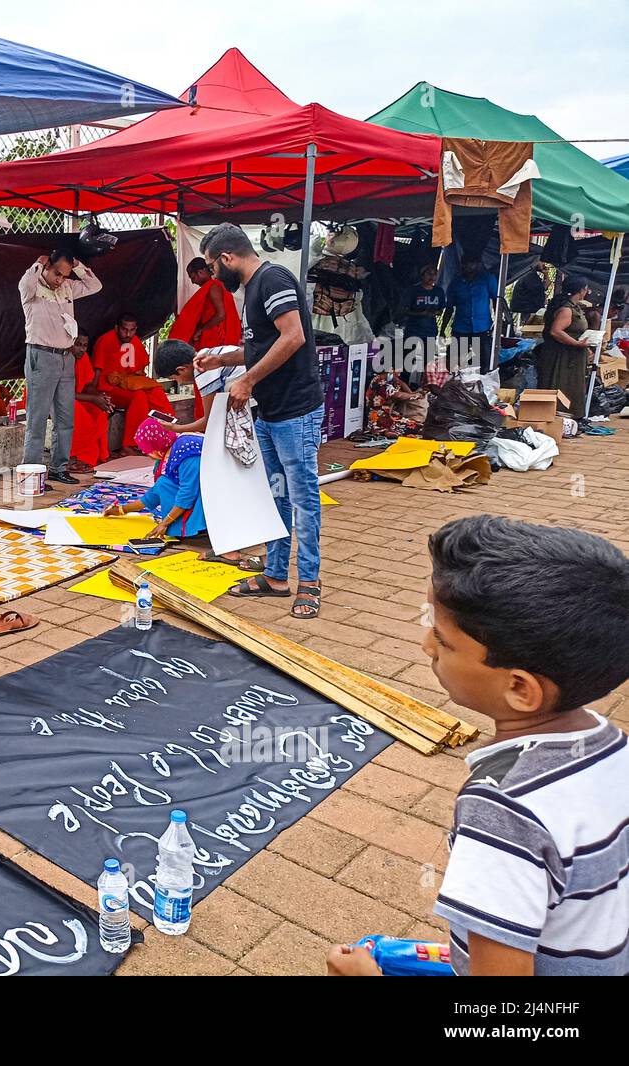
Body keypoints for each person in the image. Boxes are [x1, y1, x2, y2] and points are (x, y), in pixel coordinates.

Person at [327, 516, 629, 977]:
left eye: (444, 642)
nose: (427, 645)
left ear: (520, 690)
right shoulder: (610, 745)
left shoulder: (504, 813)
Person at [198, 223, 325, 619]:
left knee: (302, 498)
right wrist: (223, 360)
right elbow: (263, 345)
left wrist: (248, 380)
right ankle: (275, 576)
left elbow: (294, 337)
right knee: (274, 496)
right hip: (271, 412)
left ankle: (309, 582)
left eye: (212, 266)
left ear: (227, 258)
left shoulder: (272, 279)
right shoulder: (253, 288)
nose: (213, 275)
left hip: (296, 411)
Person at [19, 249, 102, 485]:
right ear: (47, 267)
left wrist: (75, 265)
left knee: (65, 418)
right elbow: (25, 284)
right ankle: (31, 474)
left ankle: (58, 468)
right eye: (57, 274)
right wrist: (37, 262)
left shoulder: (67, 288)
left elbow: (95, 285)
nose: (60, 280)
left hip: (66, 357)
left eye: (65, 276)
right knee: (36, 420)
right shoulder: (32, 288)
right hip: (41, 356)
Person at [103, 417, 206, 540]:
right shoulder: (171, 449)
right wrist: (121, 510)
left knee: (170, 485)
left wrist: (164, 523)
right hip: (196, 490)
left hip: (212, 494)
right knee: (163, 483)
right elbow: (155, 493)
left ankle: (197, 526)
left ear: (156, 441)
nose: (147, 452)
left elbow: (188, 493)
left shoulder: (188, 453)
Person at [92, 313, 175, 452]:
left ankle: (169, 434)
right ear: (117, 328)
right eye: (125, 330)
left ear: (136, 329)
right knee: (139, 397)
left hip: (128, 386)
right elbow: (97, 371)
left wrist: (136, 376)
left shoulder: (135, 340)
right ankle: (131, 444)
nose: (128, 334)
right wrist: (94, 396)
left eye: (132, 330)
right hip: (109, 389)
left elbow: (141, 367)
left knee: (157, 392)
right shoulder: (105, 340)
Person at [534, 275, 596, 417]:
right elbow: (556, 331)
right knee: (561, 382)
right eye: (586, 289)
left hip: (572, 354)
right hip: (562, 355)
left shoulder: (573, 307)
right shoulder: (566, 310)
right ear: (581, 290)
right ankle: (557, 414)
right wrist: (577, 343)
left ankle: (569, 415)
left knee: (570, 384)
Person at [169, 257, 241, 350]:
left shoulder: (214, 286)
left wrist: (200, 329)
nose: (193, 282)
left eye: (193, 278)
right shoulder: (214, 285)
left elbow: (221, 315)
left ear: (200, 272)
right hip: (214, 338)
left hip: (217, 339)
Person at [443, 257, 498, 372]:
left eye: (471, 263)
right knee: (456, 363)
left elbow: (496, 300)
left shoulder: (487, 279)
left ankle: (483, 386)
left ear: (478, 264)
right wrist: (443, 328)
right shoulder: (456, 283)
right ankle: (459, 386)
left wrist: (498, 321)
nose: (468, 267)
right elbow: (449, 307)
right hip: (461, 327)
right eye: (465, 264)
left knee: (484, 363)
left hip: (482, 327)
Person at [68, 333, 112, 473]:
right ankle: (75, 458)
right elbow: (63, 394)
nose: (81, 349)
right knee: (80, 414)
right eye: (78, 345)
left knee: (99, 410)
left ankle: (94, 455)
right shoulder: (62, 358)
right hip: (53, 400)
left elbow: (88, 387)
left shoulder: (84, 358)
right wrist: (93, 399)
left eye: (85, 346)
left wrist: (100, 397)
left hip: (75, 398)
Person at [397, 264, 446, 387]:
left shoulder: (438, 291)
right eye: (429, 274)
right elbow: (404, 310)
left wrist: (434, 312)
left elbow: (441, 310)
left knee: (428, 361)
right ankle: (404, 385)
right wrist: (420, 313)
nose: (432, 277)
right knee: (408, 359)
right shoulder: (414, 290)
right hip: (413, 330)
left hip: (430, 330)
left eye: (434, 274)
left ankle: (424, 386)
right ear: (422, 275)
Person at [151, 339, 208, 433]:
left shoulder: (205, 373)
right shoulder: (204, 355)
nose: (179, 383)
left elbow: (208, 420)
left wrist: (175, 429)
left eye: (174, 379)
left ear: (182, 369)